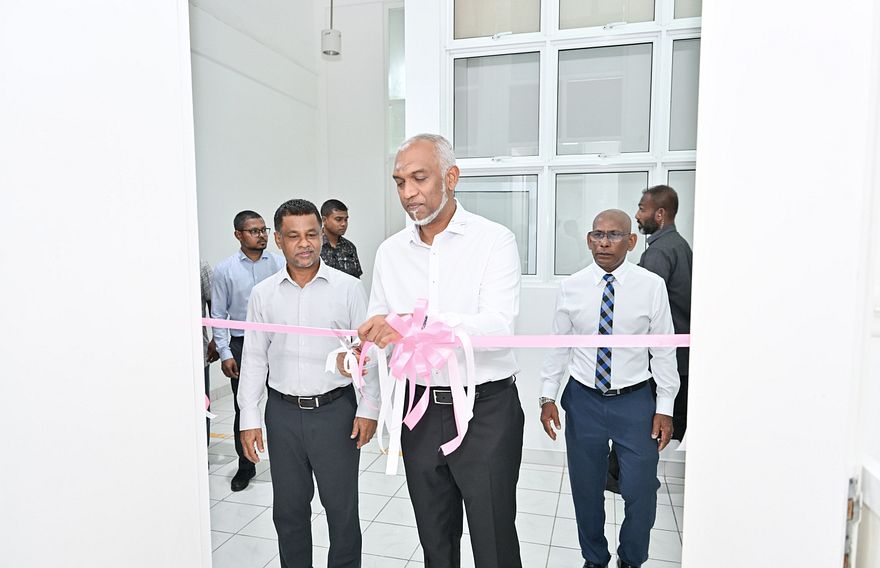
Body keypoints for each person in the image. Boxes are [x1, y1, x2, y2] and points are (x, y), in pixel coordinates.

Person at [358, 133, 524, 568]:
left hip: (486, 411)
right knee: (434, 540)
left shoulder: (494, 240)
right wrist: (358, 351)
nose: (408, 193)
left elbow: (497, 325)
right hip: (420, 410)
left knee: (494, 541)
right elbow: (381, 325)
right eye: (399, 182)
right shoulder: (390, 252)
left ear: (451, 177)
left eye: (419, 178)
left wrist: (416, 324)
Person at [238, 199, 378, 568]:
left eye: (312, 234)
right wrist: (248, 417)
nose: (305, 243)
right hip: (282, 415)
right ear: (278, 240)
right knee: (288, 511)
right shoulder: (263, 294)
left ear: (320, 235)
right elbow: (254, 357)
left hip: (335, 413)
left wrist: (369, 408)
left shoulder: (348, 289)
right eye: (293, 236)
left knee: (342, 511)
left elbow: (369, 353)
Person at [539, 209, 679, 568]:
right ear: (589, 240)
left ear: (631, 242)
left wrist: (665, 406)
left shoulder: (651, 287)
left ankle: (631, 559)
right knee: (586, 489)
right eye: (598, 235)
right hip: (584, 400)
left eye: (614, 235)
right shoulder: (571, 287)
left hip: (635, 402)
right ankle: (595, 559)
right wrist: (547, 395)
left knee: (641, 489)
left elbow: (664, 350)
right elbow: (558, 345)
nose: (604, 242)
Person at [210, 210, 285, 491]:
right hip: (242, 345)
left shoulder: (279, 263)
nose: (261, 235)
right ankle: (245, 466)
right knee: (244, 406)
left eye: (264, 230)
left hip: (277, 343)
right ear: (238, 235)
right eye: (254, 231)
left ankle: (284, 463)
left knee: (281, 405)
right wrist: (225, 352)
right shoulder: (224, 270)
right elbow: (218, 314)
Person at [635, 185, 692, 439]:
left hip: (663, 361)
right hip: (681, 359)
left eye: (642, 209)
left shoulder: (659, 252)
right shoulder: (679, 245)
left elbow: (644, 308)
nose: (637, 215)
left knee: (642, 434)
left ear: (659, 214)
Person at [200, 259, 219, 445]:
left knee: (201, 407)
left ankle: (202, 453)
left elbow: (214, 304)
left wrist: (216, 339)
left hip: (198, 353)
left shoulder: (200, 266)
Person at [320, 199, 363, 278]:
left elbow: (356, 280)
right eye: (338, 219)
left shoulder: (350, 247)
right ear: (324, 220)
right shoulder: (314, 246)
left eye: (346, 219)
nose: (344, 224)